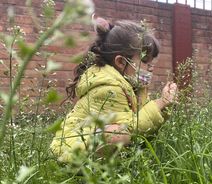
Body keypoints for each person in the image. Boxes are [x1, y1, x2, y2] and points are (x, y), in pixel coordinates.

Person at [50, 16, 178, 162]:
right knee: (115, 134)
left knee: (119, 135)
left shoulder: (130, 85)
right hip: (70, 150)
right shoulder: (109, 88)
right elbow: (133, 128)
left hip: (87, 147)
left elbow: (145, 124)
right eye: (144, 60)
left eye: (151, 61)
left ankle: (117, 167)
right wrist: (159, 103)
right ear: (121, 62)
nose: (151, 67)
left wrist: (166, 107)